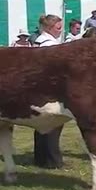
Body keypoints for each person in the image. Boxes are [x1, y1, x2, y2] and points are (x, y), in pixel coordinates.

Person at [33, 14, 65, 169]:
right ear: (49, 28)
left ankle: (40, 157)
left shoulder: (40, 41)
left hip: (39, 87)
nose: (60, 30)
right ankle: (53, 160)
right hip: (50, 88)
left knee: (40, 123)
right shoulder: (50, 44)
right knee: (53, 122)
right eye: (58, 28)